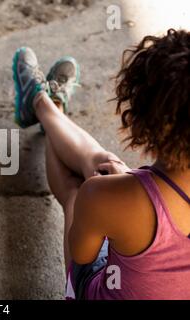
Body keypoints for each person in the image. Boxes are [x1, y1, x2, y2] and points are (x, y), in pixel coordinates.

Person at [11, 29, 190, 299]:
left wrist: (115, 190)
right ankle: (46, 104)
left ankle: (43, 104)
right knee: (104, 171)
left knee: (78, 190)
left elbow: (82, 254)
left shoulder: (103, 197)